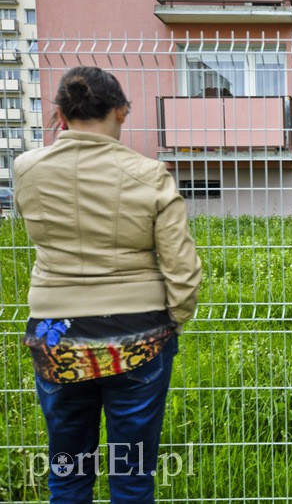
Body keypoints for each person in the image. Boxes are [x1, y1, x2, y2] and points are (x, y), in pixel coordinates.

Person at [13, 66, 203, 503]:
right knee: (132, 475)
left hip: (53, 331)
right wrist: (171, 320)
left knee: (66, 470)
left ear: (59, 116)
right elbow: (182, 267)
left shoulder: (26, 170)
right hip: (138, 331)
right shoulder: (151, 174)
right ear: (122, 112)